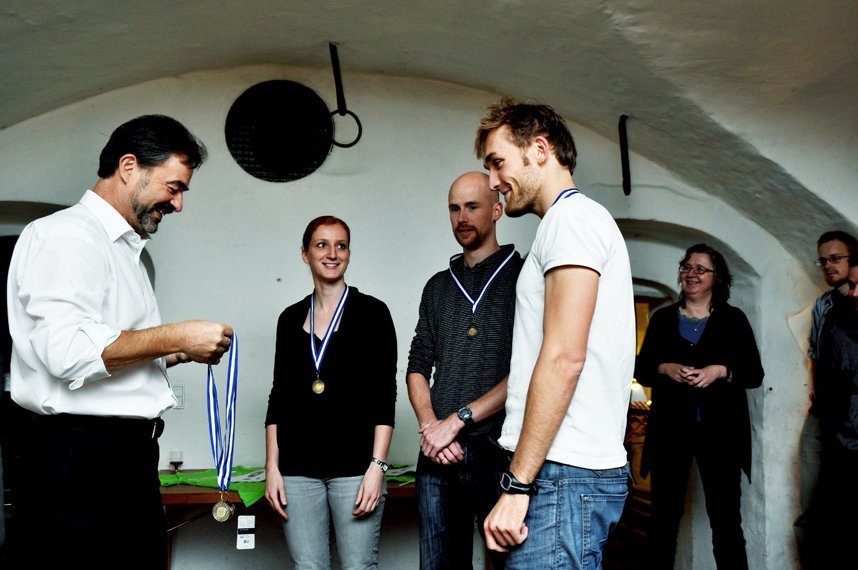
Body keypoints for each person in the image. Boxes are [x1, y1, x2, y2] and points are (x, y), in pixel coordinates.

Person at [6, 115, 234, 569]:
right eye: (174, 187)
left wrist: (173, 352)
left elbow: (107, 350)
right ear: (129, 166)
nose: (179, 203)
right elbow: (69, 353)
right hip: (81, 465)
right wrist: (175, 333)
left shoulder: (123, 248)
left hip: (122, 460)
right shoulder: (68, 236)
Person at [476, 99, 636, 569]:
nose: (492, 182)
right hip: (560, 472)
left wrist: (519, 483)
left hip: (563, 475)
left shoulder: (573, 221)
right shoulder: (562, 226)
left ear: (539, 149)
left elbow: (565, 357)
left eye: (497, 162)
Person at [264, 215, 397, 570]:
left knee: (357, 566)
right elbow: (278, 398)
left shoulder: (373, 313)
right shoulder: (289, 320)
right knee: (308, 567)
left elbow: (386, 397)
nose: (332, 253)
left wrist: (377, 467)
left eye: (341, 245)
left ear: (349, 254)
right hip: (297, 472)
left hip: (356, 470)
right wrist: (272, 468)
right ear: (305, 254)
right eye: (322, 245)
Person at [407, 171, 523, 569]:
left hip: (503, 451)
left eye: (472, 207)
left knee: (509, 564)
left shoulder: (525, 278)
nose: (462, 217)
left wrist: (456, 421)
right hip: (439, 456)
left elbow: (529, 371)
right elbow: (418, 363)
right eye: (454, 208)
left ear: (497, 210)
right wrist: (431, 428)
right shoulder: (437, 286)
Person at [635, 243, 764, 569]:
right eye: (686, 267)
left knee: (726, 525)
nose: (691, 274)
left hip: (722, 435)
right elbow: (642, 368)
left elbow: (754, 374)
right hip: (670, 434)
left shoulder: (734, 320)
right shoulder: (662, 319)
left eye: (700, 269)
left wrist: (720, 371)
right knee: (662, 521)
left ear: (716, 279)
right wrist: (665, 368)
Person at [795, 230, 857, 568]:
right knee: (810, 504)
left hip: (853, 420)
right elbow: (816, 353)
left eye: (835, 259)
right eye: (822, 260)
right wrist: (816, 389)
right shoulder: (825, 303)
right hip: (825, 415)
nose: (827, 266)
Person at [811, 253, 858, 568]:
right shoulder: (838, 326)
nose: (853, 293)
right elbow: (829, 386)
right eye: (852, 285)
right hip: (843, 448)